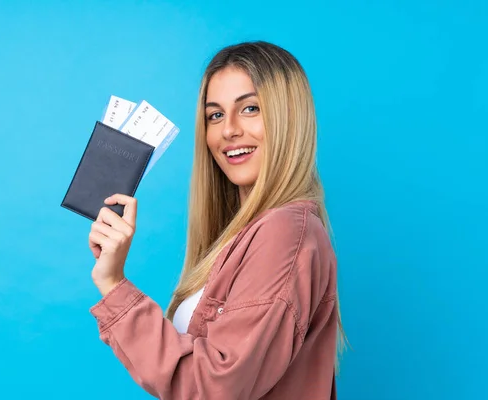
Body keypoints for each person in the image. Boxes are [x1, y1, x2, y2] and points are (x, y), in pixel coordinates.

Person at [87, 41, 345, 399]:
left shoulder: (285, 232)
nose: (228, 131)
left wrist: (115, 286)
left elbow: (213, 388)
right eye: (215, 115)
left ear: (289, 118)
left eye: (250, 108)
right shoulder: (245, 237)